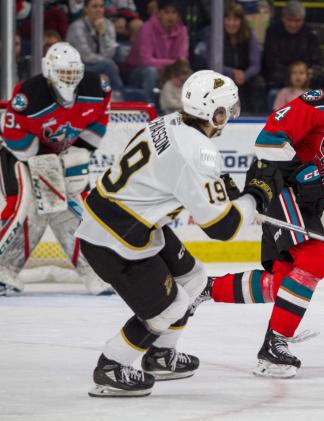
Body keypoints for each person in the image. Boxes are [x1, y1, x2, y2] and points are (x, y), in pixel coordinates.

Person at [75, 70, 284, 397]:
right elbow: (222, 228)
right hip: (115, 238)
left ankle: (160, 356)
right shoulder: (196, 151)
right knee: (168, 308)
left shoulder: (172, 120)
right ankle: (112, 365)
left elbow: (183, 172)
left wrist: (225, 187)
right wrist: (255, 195)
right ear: (215, 114)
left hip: (126, 219)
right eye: (229, 110)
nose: (230, 116)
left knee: (194, 278)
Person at [195, 53, 324, 379]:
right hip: (277, 183)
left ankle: (203, 289)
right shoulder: (319, 105)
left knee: (283, 283)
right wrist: (303, 173)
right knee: (317, 261)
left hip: (309, 197)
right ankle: (275, 345)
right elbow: (268, 141)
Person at [0, 42, 112, 296]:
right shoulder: (29, 95)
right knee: (26, 211)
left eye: (73, 72)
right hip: (20, 157)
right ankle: (3, 269)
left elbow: (98, 122)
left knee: (78, 213)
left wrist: (78, 153)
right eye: (63, 73)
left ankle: (93, 270)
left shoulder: (96, 88)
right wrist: (45, 161)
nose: (69, 79)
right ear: (49, 71)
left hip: (64, 155)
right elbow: (13, 136)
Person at [262, 0, 322, 110]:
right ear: (283, 18)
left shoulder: (310, 34)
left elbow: (317, 63)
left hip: (305, 81)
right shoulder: (273, 31)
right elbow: (270, 62)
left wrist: (306, 74)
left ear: (303, 20)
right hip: (279, 80)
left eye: (297, 21)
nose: (293, 24)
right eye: (289, 20)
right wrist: (292, 75)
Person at [207, 2, 266, 114]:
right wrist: (232, 72)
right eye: (228, 20)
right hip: (224, 77)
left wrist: (245, 75)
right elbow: (212, 63)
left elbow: (255, 64)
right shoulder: (214, 35)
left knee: (258, 83)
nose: (231, 23)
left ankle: (257, 117)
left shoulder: (249, 35)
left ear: (241, 21)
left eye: (235, 20)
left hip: (246, 78)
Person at [126, 0, 188, 103]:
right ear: (159, 13)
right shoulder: (147, 28)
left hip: (167, 71)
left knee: (187, 74)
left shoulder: (182, 30)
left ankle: (179, 107)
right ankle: (150, 108)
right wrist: (172, 64)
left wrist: (173, 67)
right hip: (138, 72)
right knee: (151, 71)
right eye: (167, 12)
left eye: (174, 13)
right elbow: (146, 61)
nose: (170, 17)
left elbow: (182, 60)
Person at [66, 0, 125, 98]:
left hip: (101, 67)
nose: (99, 10)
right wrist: (106, 62)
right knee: (108, 65)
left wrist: (102, 34)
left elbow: (111, 53)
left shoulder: (108, 25)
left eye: (101, 6)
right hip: (77, 68)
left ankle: (112, 100)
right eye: (95, 6)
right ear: (86, 9)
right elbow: (85, 56)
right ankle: (120, 99)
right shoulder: (77, 27)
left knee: (104, 76)